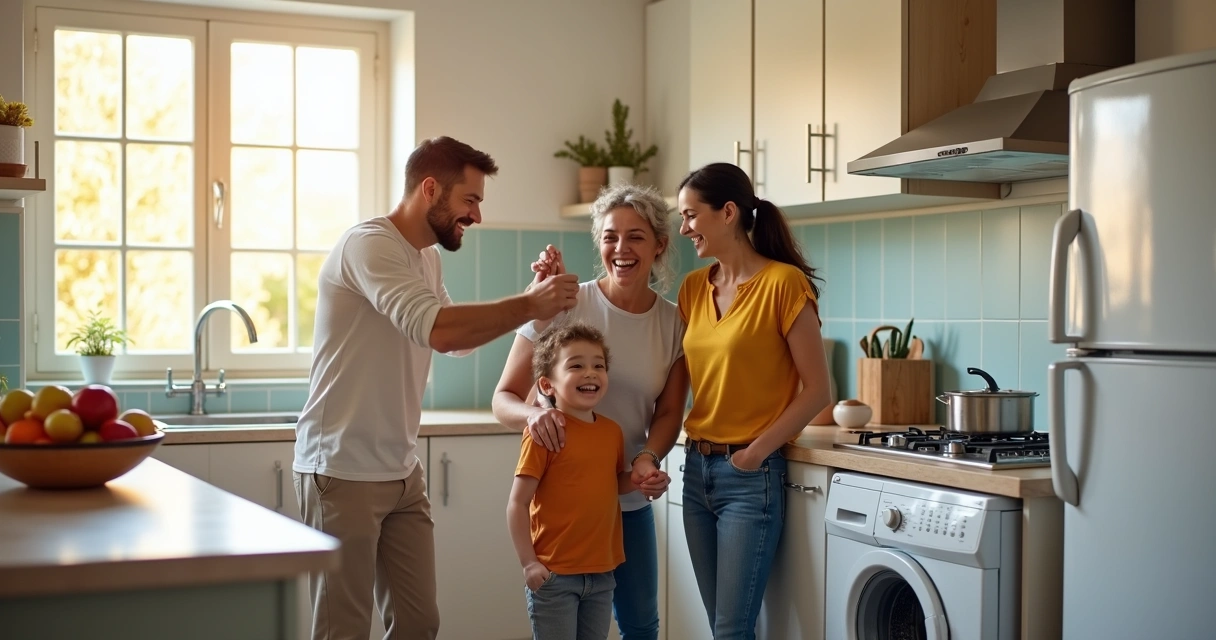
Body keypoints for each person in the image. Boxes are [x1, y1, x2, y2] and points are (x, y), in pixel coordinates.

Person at [292, 136, 580, 640]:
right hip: (341, 469)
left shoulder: (425, 256)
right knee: (344, 630)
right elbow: (440, 328)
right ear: (430, 189)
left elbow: (453, 343)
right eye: (470, 200)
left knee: (419, 624)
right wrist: (530, 304)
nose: (477, 216)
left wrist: (531, 300)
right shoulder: (369, 244)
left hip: (402, 471)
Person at [493, 183, 688, 640]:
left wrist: (647, 460)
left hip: (627, 499)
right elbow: (504, 398)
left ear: (659, 245)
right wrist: (533, 416)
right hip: (564, 506)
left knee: (641, 625)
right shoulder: (563, 302)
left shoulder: (674, 322)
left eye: (636, 236)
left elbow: (669, 413)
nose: (621, 248)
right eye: (610, 236)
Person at [671, 162, 832, 640]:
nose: (683, 229)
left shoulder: (784, 284)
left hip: (749, 477)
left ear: (727, 213)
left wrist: (756, 453)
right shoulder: (692, 289)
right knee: (721, 625)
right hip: (696, 471)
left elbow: (819, 390)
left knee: (731, 629)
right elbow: (679, 380)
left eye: (690, 216)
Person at [506, 322, 641, 640]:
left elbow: (612, 484)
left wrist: (636, 478)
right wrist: (529, 564)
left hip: (602, 573)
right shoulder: (543, 432)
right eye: (576, 365)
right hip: (554, 576)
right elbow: (517, 502)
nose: (590, 373)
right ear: (547, 385)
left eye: (598, 365)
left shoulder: (612, 432)